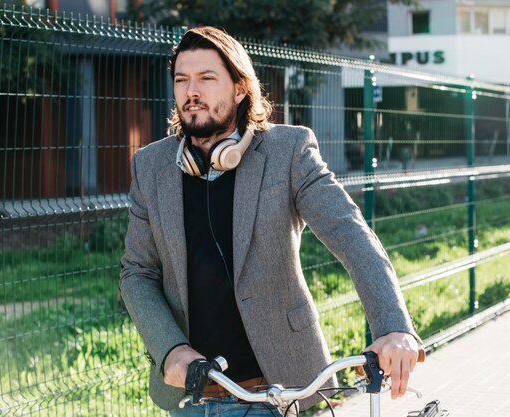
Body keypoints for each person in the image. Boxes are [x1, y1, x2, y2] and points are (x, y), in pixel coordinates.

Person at [119, 26, 421, 417]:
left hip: (274, 393)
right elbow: (136, 273)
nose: (191, 91)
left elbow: (351, 235)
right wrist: (171, 351)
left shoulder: (288, 151)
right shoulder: (150, 166)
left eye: (207, 78)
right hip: (190, 399)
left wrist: (392, 325)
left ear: (240, 89)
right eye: (182, 80)